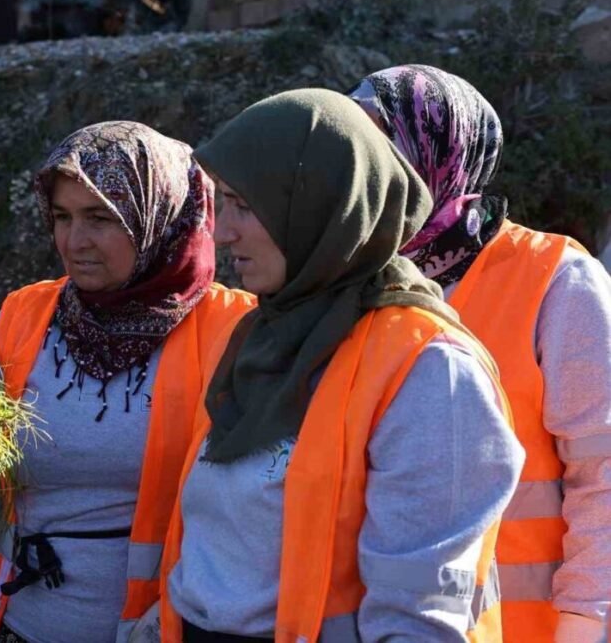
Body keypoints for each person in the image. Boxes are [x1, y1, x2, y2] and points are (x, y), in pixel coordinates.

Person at [151, 89, 524, 642]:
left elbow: (419, 618)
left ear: (322, 207)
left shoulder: (430, 370)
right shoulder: (263, 335)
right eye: (222, 203)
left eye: (246, 207)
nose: (223, 232)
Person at [0, 121, 256, 643]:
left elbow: (253, 510)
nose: (74, 241)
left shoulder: (233, 331)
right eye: (62, 217)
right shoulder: (25, 316)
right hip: (12, 628)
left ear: (158, 217)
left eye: (100, 218)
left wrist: (174, 611)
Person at [349, 63, 611, 642]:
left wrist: (586, 623)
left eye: (379, 143)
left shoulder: (557, 278)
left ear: (435, 151)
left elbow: (604, 474)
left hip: (530, 627)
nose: (360, 167)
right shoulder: (348, 281)